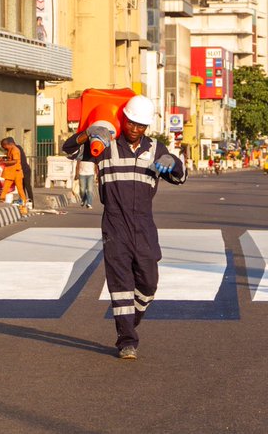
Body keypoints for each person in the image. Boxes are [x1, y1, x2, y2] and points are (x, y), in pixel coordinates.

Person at [62, 94, 186, 360]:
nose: (134, 129)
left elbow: (181, 177)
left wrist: (173, 163)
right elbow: (68, 149)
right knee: (119, 284)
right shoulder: (106, 144)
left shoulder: (155, 148)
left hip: (144, 223)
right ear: (124, 119)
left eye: (140, 126)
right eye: (131, 123)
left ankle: (132, 318)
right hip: (115, 223)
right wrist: (87, 133)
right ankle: (127, 340)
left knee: (149, 283)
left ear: (147, 127)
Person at [0, 137, 31, 208]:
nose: (4, 148)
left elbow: (15, 161)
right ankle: (2, 199)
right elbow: (10, 158)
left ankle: (24, 201)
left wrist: (4, 162)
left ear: (8, 144)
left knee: (20, 188)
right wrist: (3, 158)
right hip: (11, 172)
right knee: (6, 187)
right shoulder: (10, 150)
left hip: (16, 172)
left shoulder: (15, 150)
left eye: (4, 146)